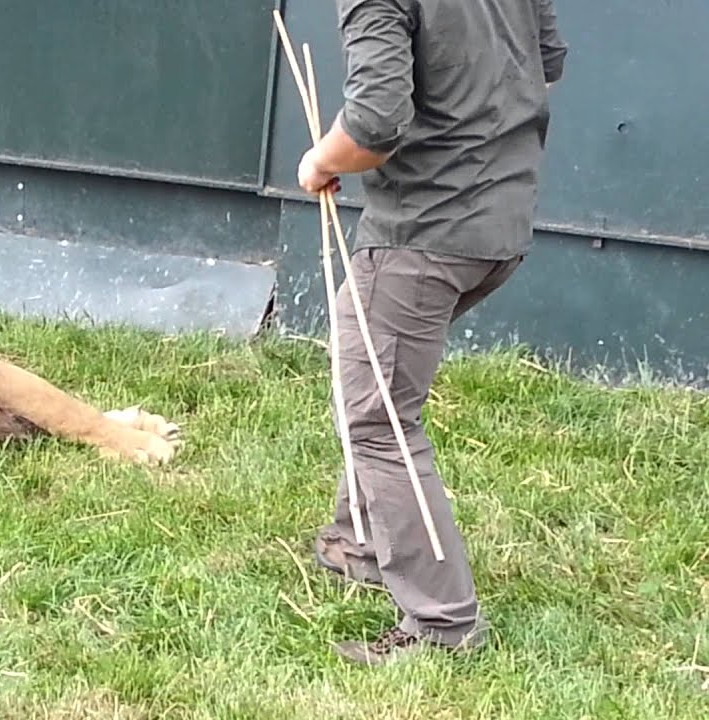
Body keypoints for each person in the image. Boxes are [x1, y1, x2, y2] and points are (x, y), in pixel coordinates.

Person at [294, 0, 567, 665]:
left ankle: (442, 623)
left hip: (425, 233)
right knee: (372, 380)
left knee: (379, 419)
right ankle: (357, 542)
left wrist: (321, 160)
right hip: (499, 227)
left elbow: (375, 123)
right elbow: (547, 61)